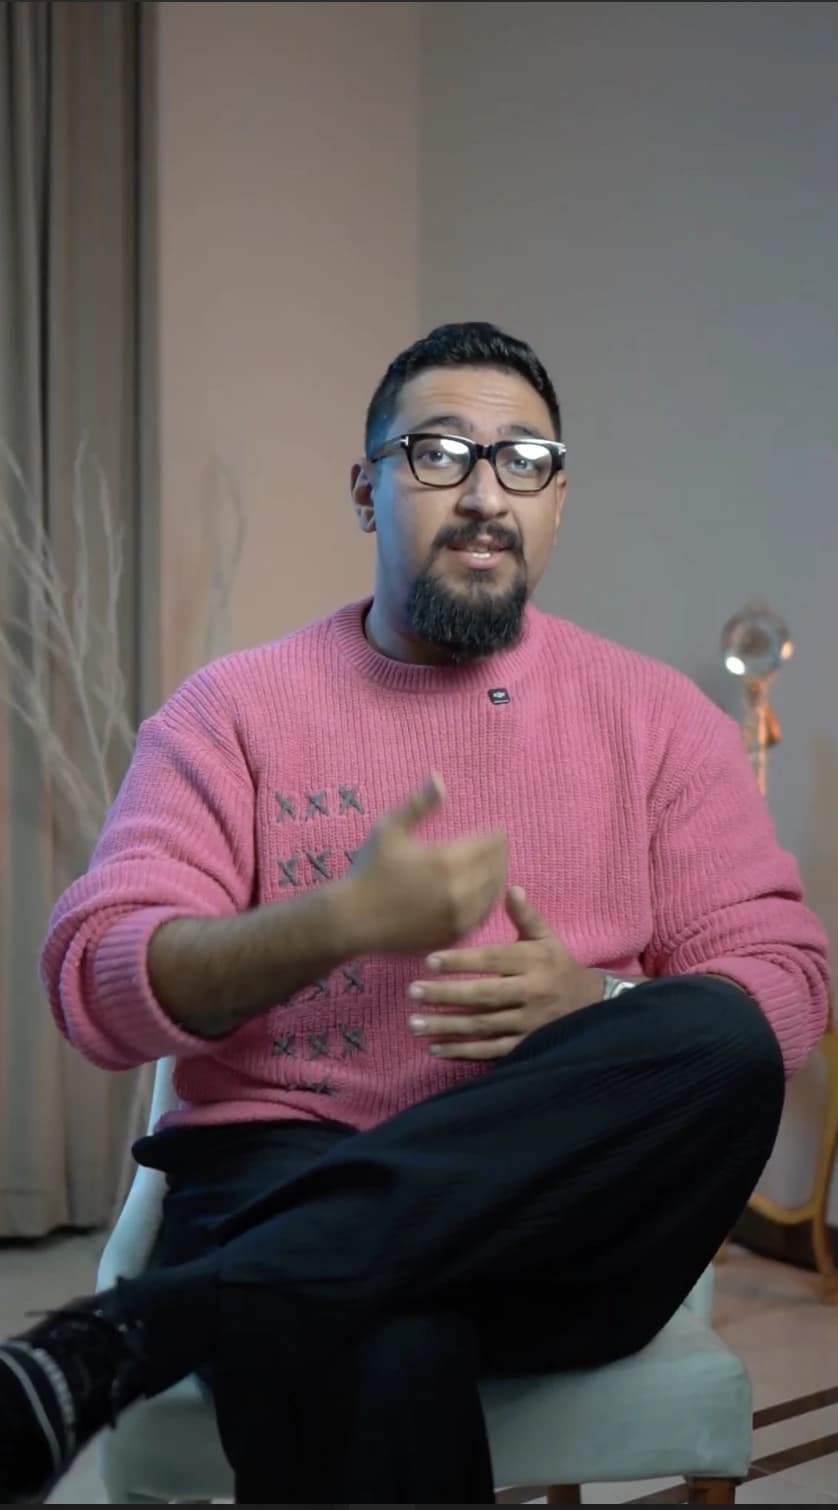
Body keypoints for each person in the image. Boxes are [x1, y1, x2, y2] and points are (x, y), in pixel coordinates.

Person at [0, 321, 830, 1505]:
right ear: (365, 489)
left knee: (721, 1030)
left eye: (523, 461)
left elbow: (787, 980)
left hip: (564, 1218)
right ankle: (250, 1291)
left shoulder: (657, 721)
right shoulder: (231, 712)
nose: (485, 494)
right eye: (438, 453)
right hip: (284, 1166)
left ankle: (145, 1326)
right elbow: (95, 980)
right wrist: (332, 923)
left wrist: (596, 1002)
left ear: (556, 501)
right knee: (374, 1338)